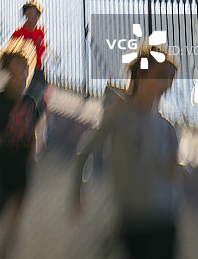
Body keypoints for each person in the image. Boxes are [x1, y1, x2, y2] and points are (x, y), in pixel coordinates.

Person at [72, 46, 181, 259]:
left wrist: (176, 170)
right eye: (160, 76)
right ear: (141, 75)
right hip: (134, 221)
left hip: (166, 218)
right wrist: (78, 191)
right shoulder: (118, 117)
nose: (166, 84)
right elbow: (84, 152)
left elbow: (174, 173)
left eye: (170, 78)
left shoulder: (168, 128)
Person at [0, 48, 40, 258]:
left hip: (22, 161)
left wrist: (33, 151)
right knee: (3, 197)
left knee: (20, 200)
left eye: (25, 69)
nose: (22, 75)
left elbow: (33, 129)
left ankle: (7, 241)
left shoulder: (30, 103)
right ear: (8, 73)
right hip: (4, 159)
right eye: (17, 70)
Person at [11, 1, 48, 114]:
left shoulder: (40, 32)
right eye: (31, 14)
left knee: (40, 103)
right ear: (26, 15)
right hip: (23, 73)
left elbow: (42, 51)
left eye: (37, 14)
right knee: (24, 101)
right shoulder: (18, 34)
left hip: (37, 70)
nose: (35, 18)